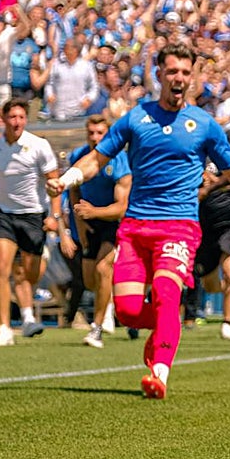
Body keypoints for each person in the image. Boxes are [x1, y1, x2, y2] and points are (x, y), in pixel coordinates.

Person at [49, 43, 230, 400]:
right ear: (159, 74)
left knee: (165, 292)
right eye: (172, 71)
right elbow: (97, 159)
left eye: (185, 73)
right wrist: (66, 181)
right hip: (135, 227)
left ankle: (159, 373)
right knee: (128, 311)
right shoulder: (135, 119)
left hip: (179, 227)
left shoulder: (204, 124)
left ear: (192, 78)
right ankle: (163, 329)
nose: (179, 78)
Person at [0, 99, 67, 346]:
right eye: (12, 117)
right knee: (3, 268)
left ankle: (27, 317)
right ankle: (5, 328)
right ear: (3, 118)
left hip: (33, 215)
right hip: (3, 214)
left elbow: (54, 183)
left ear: (26, 120)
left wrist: (54, 216)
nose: (16, 122)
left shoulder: (39, 146)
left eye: (21, 117)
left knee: (29, 273)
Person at [66, 114, 132, 349]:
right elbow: (74, 192)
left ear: (108, 135)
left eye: (100, 133)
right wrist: (80, 224)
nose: (95, 138)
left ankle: (96, 329)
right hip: (89, 219)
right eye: (91, 133)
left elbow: (121, 208)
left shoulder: (119, 159)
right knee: (90, 279)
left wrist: (93, 213)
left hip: (113, 221)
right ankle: (117, 303)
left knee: (104, 268)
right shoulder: (78, 157)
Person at [194, 127, 230, 343]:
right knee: (209, 283)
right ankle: (227, 296)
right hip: (206, 228)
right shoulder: (202, 160)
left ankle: (227, 322)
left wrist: (214, 183)